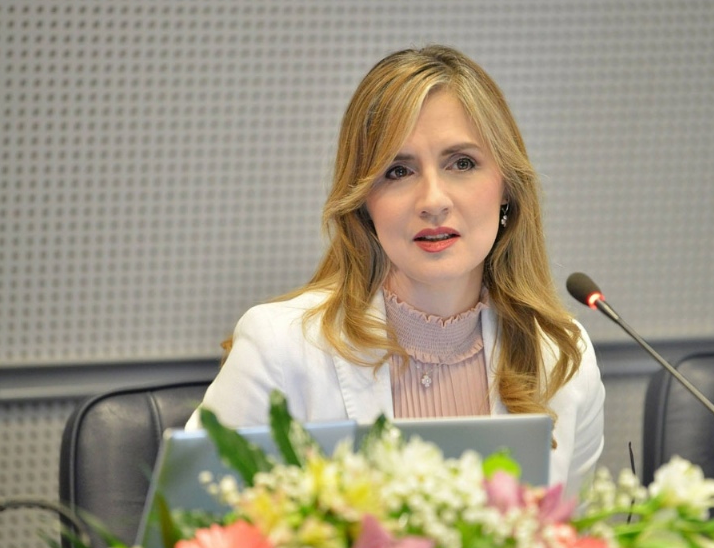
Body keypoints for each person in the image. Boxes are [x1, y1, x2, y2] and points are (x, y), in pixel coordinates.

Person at [186, 45, 605, 496]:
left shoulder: (562, 357)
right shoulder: (279, 348)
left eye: (462, 163)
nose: (433, 201)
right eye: (398, 171)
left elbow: (566, 534)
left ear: (507, 186)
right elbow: (192, 524)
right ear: (364, 203)